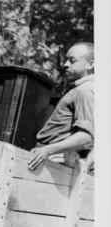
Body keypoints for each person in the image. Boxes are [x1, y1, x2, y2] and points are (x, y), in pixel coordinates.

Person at [28, 42, 94, 171]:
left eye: (72, 61)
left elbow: (86, 137)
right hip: (52, 156)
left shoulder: (85, 90)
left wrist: (47, 150)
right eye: (66, 60)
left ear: (91, 64)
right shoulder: (84, 88)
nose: (65, 65)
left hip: (55, 158)